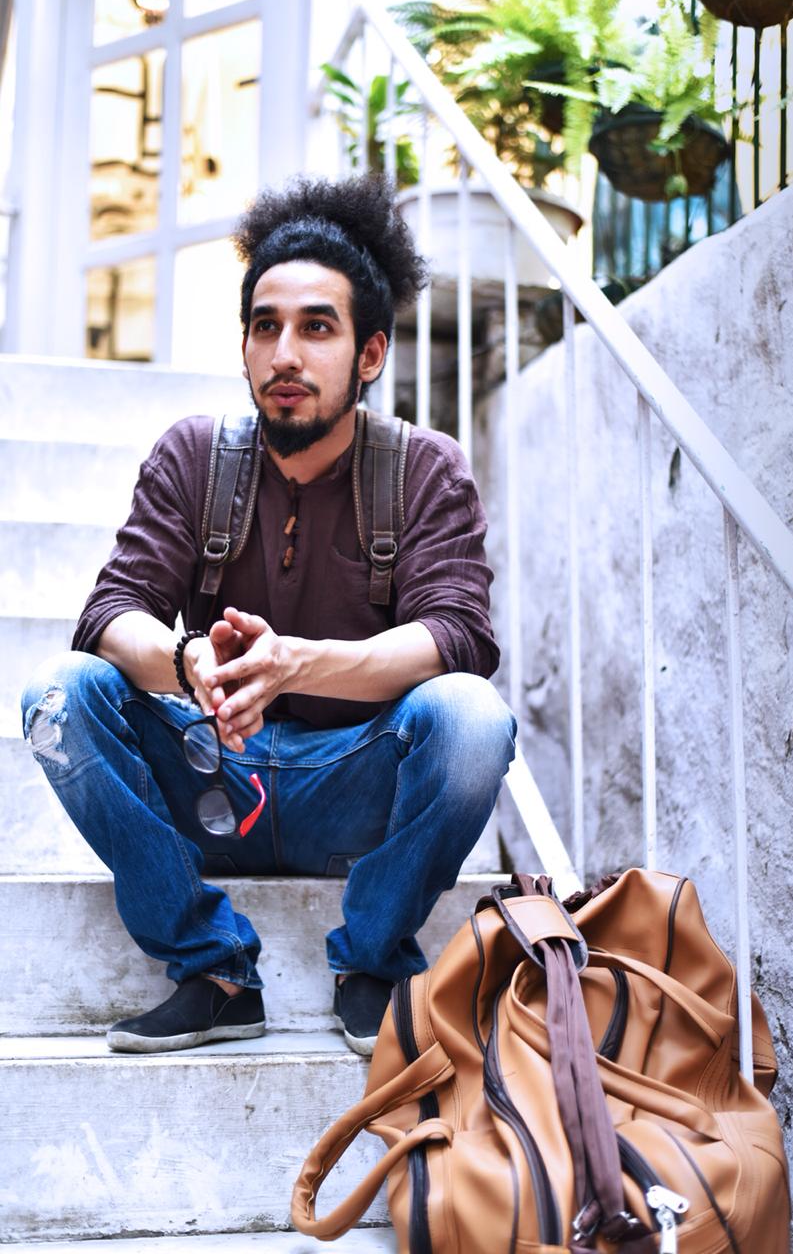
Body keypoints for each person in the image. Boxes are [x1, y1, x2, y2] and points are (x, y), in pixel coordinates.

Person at [20, 174, 516, 1057]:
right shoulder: (194, 456)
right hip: (214, 778)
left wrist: (299, 663)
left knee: (472, 716)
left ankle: (374, 962)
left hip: (352, 787)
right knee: (60, 692)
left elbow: (458, 636)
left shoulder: (426, 469)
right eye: (265, 327)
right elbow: (111, 613)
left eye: (316, 328)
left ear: (370, 354)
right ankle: (212, 971)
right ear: (246, 344)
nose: (285, 354)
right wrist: (187, 665)